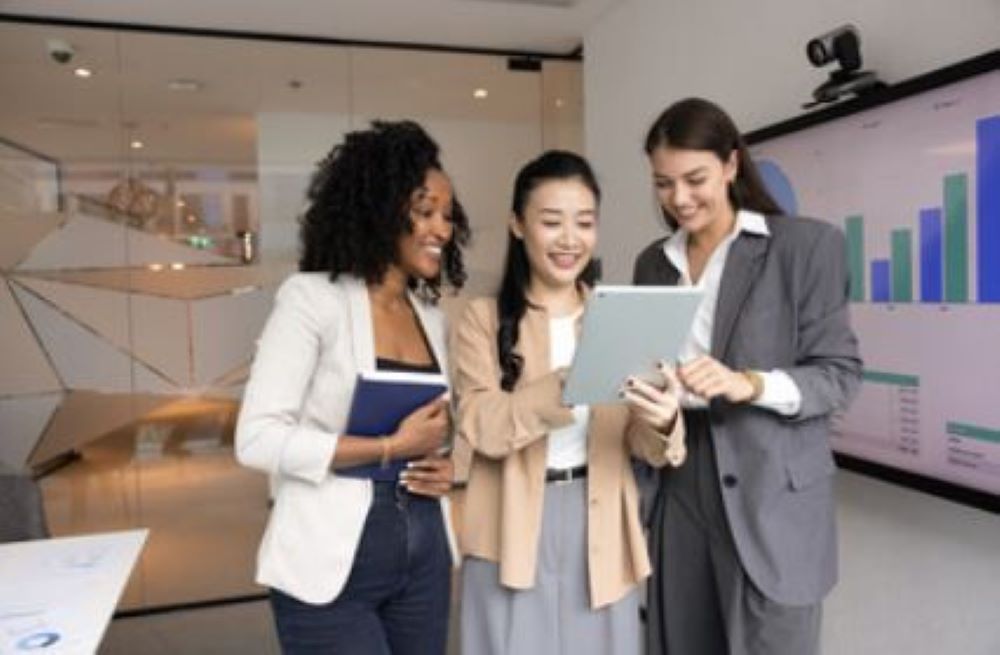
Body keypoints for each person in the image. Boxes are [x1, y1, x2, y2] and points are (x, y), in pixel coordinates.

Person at [633, 97, 863, 655]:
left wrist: (750, 384)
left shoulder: (806, 247)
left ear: (732, 165)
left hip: (772, 498)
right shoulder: (651, 264)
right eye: (664, 184)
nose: (679, 199)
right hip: (681, 486)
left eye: (695, 179)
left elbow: (839, 375)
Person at [235, 120, 470, 654]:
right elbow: (256, 439)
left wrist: (443, 458)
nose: (442, 229)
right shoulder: (311, 299)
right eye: (425, 210)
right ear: (381, 208)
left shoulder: (431, 316)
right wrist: (389, 448)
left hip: (424, 548)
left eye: (448, 215)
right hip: (330, 562)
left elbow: (431, 426)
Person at [453, 150, 687, 655]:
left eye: (584, 222)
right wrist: (568, 382)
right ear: (518, 225)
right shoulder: (483, 318)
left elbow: (642, 444)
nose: (569, 239)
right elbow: (481, 424)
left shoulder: (619, 316)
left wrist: (664, 420)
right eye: (551, 222)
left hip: (599, 518)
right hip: (508, 523)